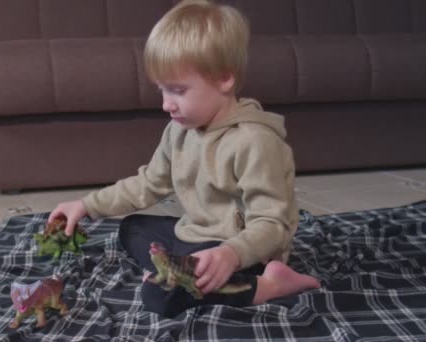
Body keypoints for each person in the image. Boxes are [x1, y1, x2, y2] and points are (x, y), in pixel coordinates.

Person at [48, 0, 320, 318]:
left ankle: (270, 285)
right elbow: (148, 183)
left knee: (158, 298)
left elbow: (273, 225)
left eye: (177, 90)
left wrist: (231, 254)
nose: (166, 104)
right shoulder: (179, 130)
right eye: (161, 90)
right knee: (131, 228)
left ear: (224, 79)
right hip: (193, 235)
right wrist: (87, 205)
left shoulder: (254, 141)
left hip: (244, 249)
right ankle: (181, 271)